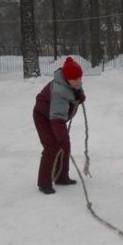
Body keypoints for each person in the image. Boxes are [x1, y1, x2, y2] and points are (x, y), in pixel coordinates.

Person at [33, 56, 86, 194]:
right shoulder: (59, 91)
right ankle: (44, 182)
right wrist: (63, 140)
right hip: (43, 117)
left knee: (63, 146)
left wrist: (78, 98)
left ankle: (62, 177)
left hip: (56, 117)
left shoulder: (72, 82)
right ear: (67, 79)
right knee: (52, 146)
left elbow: (72, 96)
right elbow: (57, 118)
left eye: (80, 78)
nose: (79, 81)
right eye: (75, 79)